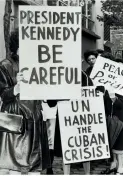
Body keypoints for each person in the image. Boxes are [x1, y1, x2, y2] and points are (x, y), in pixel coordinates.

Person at [0, 29, 51, 174]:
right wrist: (17, 86)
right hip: (16, 120)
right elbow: (3, 94)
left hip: (35, 118)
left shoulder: (40, 64)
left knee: (35, 166)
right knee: (13, 167)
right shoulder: (6, 65)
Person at [45, 70, 93, 175]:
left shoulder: (84, 76)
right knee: (66, 148)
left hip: (81, 118)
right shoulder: (58, 79)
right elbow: (51, 103)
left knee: (84, 146)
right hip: (65, 118)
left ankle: (87, 174)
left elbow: (92, 94)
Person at [101, 58, 123, 175]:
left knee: (120, 143)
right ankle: (114, 165)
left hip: (121, 118)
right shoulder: (108, 81)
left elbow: (120, 104)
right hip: (110, 116)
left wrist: (112, 93)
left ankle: (121, 168)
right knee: (112, 141)